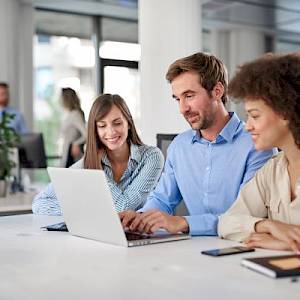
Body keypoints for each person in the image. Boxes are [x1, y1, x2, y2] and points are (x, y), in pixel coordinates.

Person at [120, 52, 275, 236]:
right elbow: (162, 199)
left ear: (217, 91)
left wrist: (184, 222)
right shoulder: (179, 146)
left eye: (189, 95)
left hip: (239, 248)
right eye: (178, 99)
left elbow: (245, 217)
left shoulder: (257, 145)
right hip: (192, 251)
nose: (182, 109)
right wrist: (140, 219)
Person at [218, 53, 300, 252]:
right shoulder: (273, 169)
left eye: (255, 116)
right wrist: (268, 226)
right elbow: (226, 223)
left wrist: (285, 244)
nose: (248, 126)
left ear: (286, 113)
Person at [32, 93, 164, 215]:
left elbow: (123, 207)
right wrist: (86, 210)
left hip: (137, 235)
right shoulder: (86, 163)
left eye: (117, 123)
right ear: (95, 130)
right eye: (102, 126)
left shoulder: (151, 157)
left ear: (128, 123)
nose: (111, 132)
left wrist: (98, 170)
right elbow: (40, 203)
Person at [59, 88, 86, 167]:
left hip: (71, 154)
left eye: (61, 97)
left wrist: (76, 143)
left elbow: (87, 134)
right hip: (66, 152)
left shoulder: (75, 114)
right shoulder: (69, 114)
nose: (59, 100)